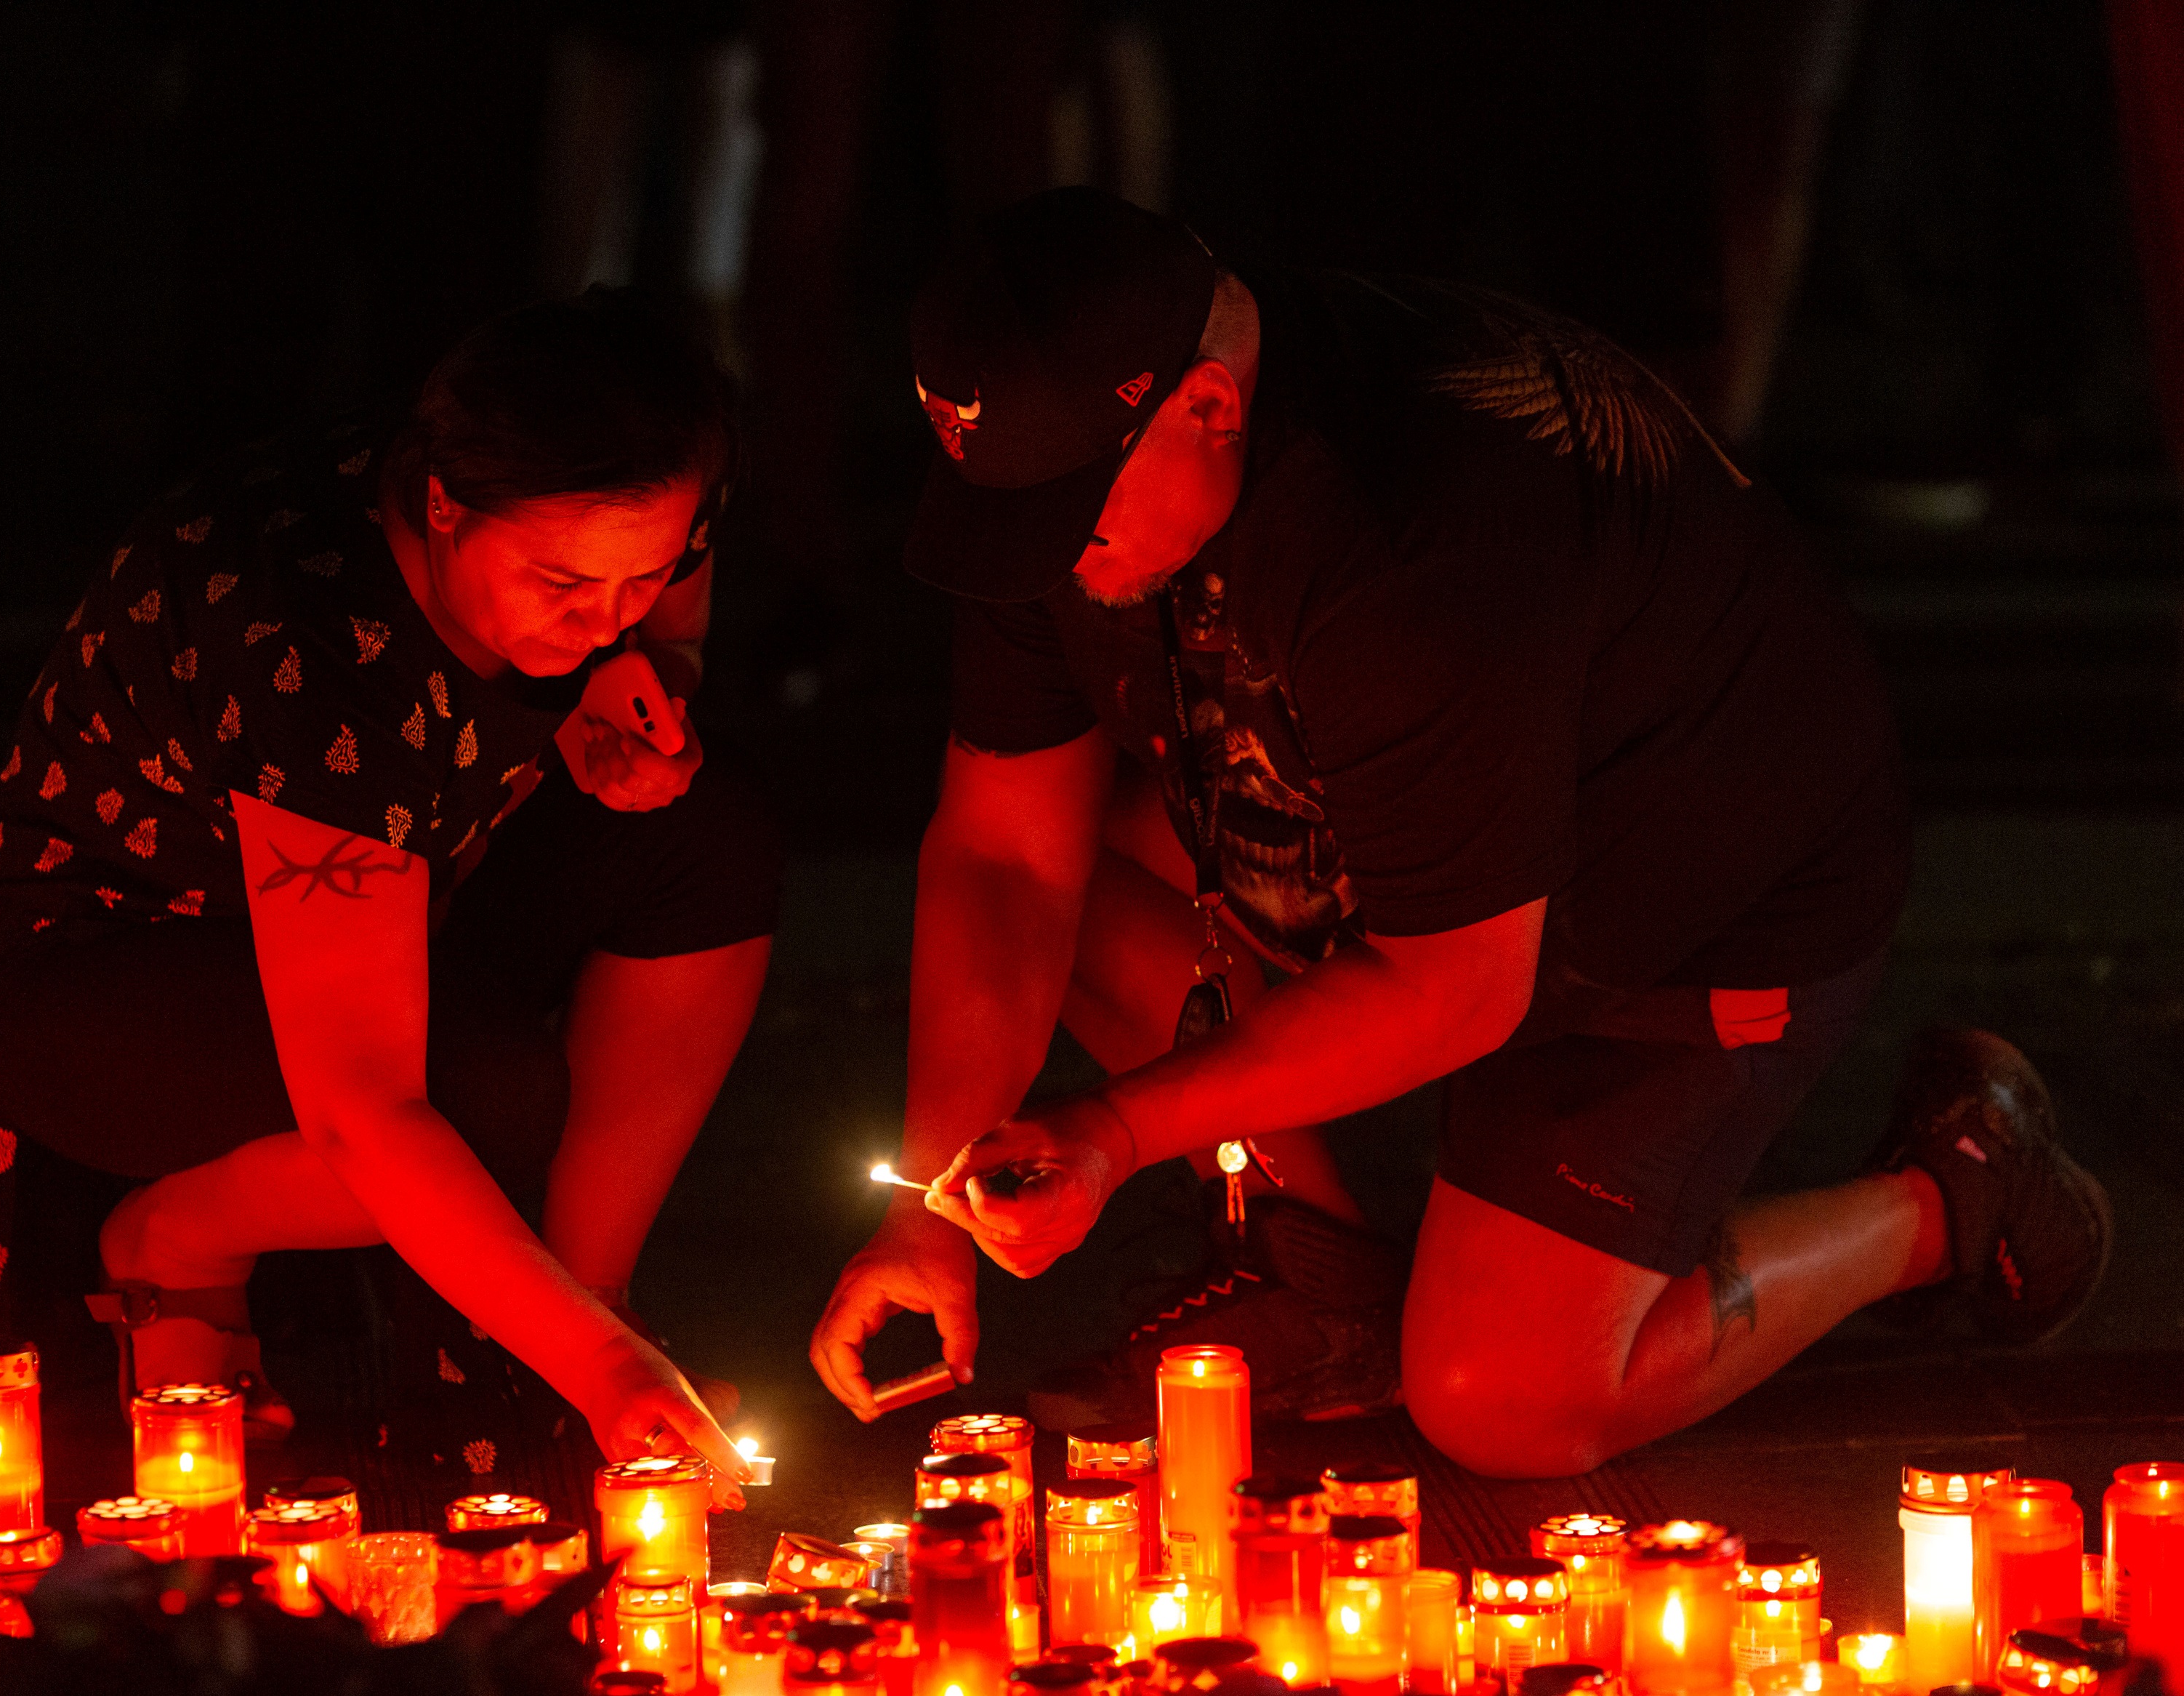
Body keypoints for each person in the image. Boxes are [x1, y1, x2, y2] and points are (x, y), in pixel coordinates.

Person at [807, 188, 2112, 1477]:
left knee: (1503, 1402)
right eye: (1006, 516)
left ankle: (1950, 1192)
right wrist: (922, 1201)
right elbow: (1002, 855)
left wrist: (1116, 1131)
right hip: (1408, 847)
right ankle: (1324, 1282)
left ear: (1207, 406)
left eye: (1072, 524)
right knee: (1078, 876)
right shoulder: (1061, 469)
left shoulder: (1414, 534)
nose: (1045, 563)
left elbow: (1455, 987)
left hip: (1690, 909)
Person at [0, 290, 775, 1492]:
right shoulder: (307, 628)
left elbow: (653, 604)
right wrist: (606, 1369)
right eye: (563, 586)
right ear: (441, 503)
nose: (604, 621)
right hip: (106, 968)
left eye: (644, 580)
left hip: (414, 879)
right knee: (476, 1089)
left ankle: (574, 1319)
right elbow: (369, 1106)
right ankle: (177, 1237)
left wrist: (647, 674)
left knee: (709, 829)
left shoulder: (630, 488)